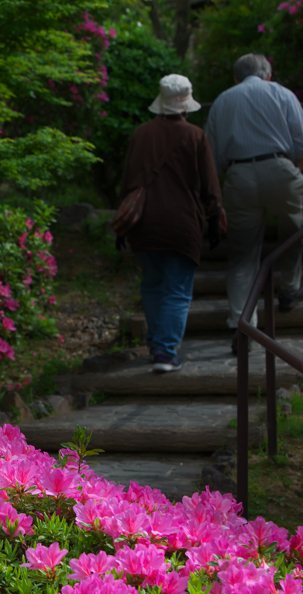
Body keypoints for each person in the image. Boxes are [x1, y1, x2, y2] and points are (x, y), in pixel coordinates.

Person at [204, 53, 303, 355]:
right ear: (268, 74)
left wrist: (216, 201)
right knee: (294, 228)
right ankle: (291, 288)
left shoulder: (222, 101)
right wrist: (292, 174)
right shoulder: (282, 93)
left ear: (236, 78)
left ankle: (242, 326)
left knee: (243, 254)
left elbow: (211, 158)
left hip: (238, 175)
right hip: (280, 167)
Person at [118, 74, 224, 373]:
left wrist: (122, 222)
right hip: (182, 224)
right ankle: (165, 352)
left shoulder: (140, 134)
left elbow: (128, 181)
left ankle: (156, 343)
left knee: (152, 285)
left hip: (144, 224)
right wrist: (215, 215)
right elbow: (209, 183)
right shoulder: (195, 136)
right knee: (177, 289)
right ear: (186, 103)